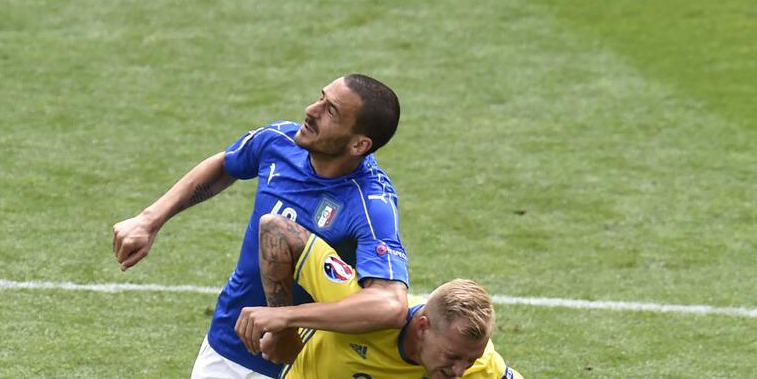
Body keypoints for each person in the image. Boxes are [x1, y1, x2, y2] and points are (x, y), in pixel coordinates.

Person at [112, 74, 410, 378]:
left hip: (301, 363)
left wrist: (285, 319)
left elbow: (391, 304)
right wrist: (149, 219)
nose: (311, 109)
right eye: (320, 97)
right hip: (227, 345)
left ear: (359, 144)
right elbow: (225, 165)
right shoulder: (278, 141)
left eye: (330, 110)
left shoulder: (371, 204)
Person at [236, 215, 523, 379]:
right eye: (453, 357)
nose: (460, 371)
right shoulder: (363, 306)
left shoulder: (478, 360)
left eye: (469, 361)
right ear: (422, 327)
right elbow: (276, 229)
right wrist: (283, 323)